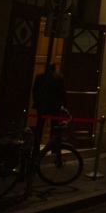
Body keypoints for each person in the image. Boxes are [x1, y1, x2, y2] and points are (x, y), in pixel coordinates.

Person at [28, 63, 67, 196]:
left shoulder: (40, 76)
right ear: (54, 68)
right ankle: (54, 148)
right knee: (55, 127)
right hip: (54, 105)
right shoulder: (59, 77)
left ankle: (37, 145)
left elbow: (35, 90)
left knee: (40, 127)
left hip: (42, 106)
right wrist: (65, 104)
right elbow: (63, 92)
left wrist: (37, 102)